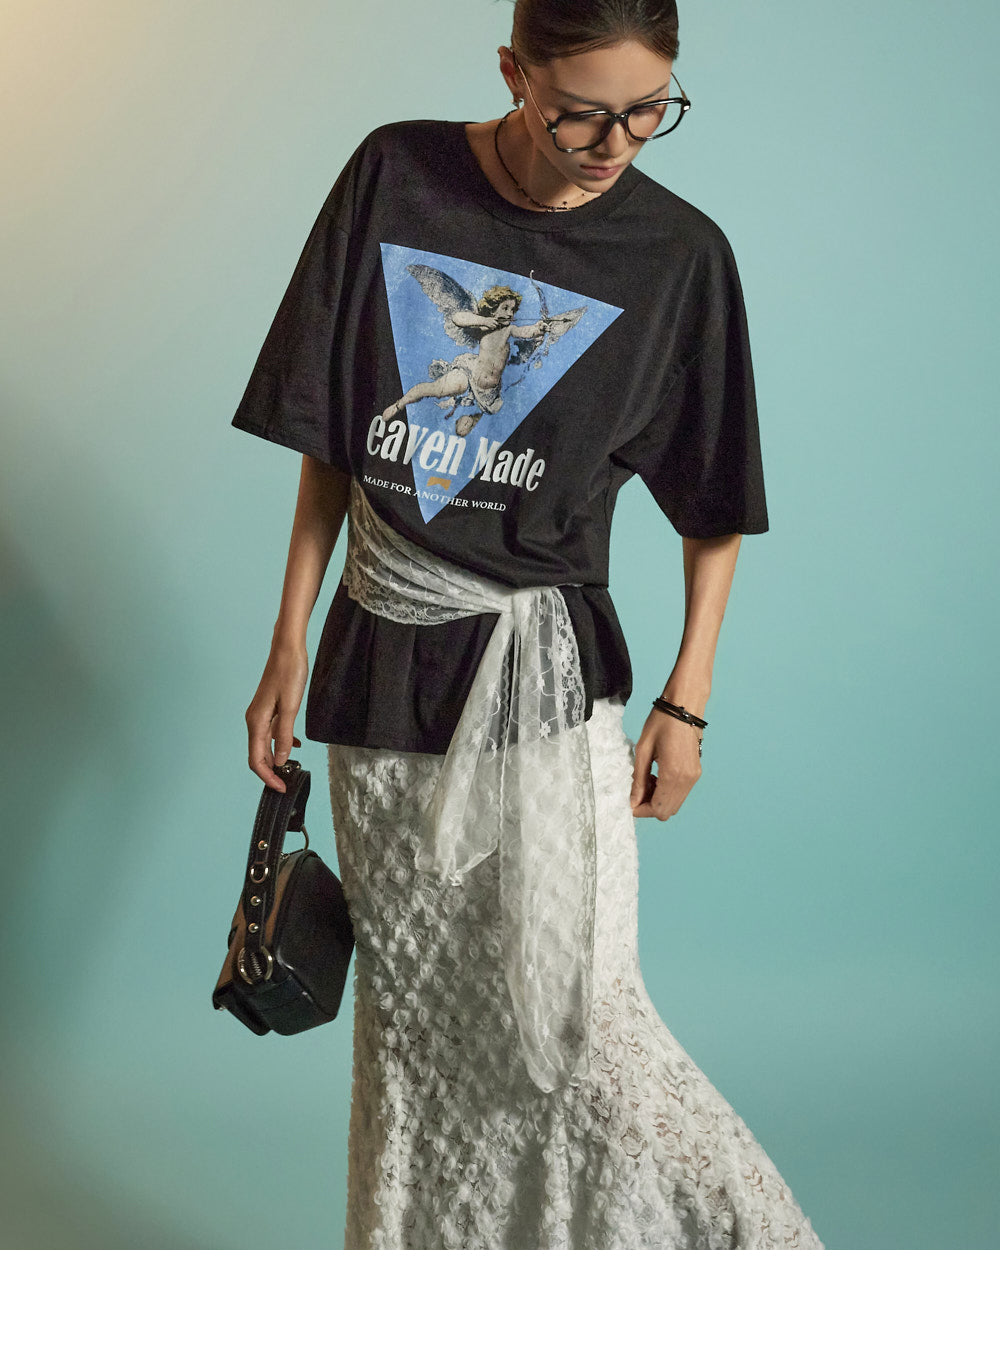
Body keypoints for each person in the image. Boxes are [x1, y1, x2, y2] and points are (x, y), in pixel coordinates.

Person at [232, 0, 825, 1250]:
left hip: (543, 684)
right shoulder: (395, 175)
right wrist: (288, 638)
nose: (615, 144)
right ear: (512, 72)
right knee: (420, 1035)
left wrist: (686, 701)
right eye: (580, 114)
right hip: (379, 674)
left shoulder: (677, 256)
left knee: (581, 1026)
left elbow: (714, 508)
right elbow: (334, 435)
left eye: (648, 111)